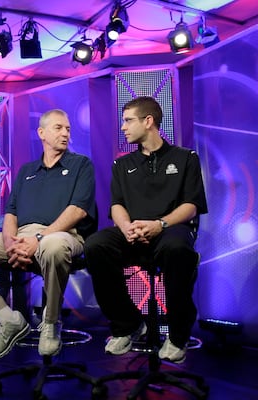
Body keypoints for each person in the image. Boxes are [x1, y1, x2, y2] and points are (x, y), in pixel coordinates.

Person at [0, 109, 97, 360]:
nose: (65, 133)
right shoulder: (27, 171)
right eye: (58, 127)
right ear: (42, 133)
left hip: (62, 234)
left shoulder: (81, 164)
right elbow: (11, 213)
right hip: (20, 236)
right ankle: (6, 317)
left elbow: (78, 210)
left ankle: (50, 323)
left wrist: (37, 240)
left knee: (54, 245)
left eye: (68, 129)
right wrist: (10, 244)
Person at [84, 96, 207, 364]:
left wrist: (159, 224)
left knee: (177, 249)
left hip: (170, 229)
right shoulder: (122, 164)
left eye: (129, 121)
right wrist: (127, 227)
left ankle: (177, 335)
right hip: (133, 232)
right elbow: (116, 205)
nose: (124, 127)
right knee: (95, 245)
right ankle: (127, 325)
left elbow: (191, 206)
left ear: (148, 121)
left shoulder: (186, 158)